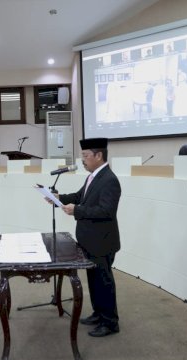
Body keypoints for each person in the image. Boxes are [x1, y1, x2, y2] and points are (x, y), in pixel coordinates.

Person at [55, 138, 121, 337]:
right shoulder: (93, 176)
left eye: (85, 156)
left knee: (104, 282)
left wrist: (77, 210)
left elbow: (106, 211)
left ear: (98, 155)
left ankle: (110, 322)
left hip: (102, 241)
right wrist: (59, 198)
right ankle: (98, 313)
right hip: (90, 240)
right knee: (93, 280)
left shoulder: (109, 180)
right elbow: (79, 196)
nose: (82, 160)